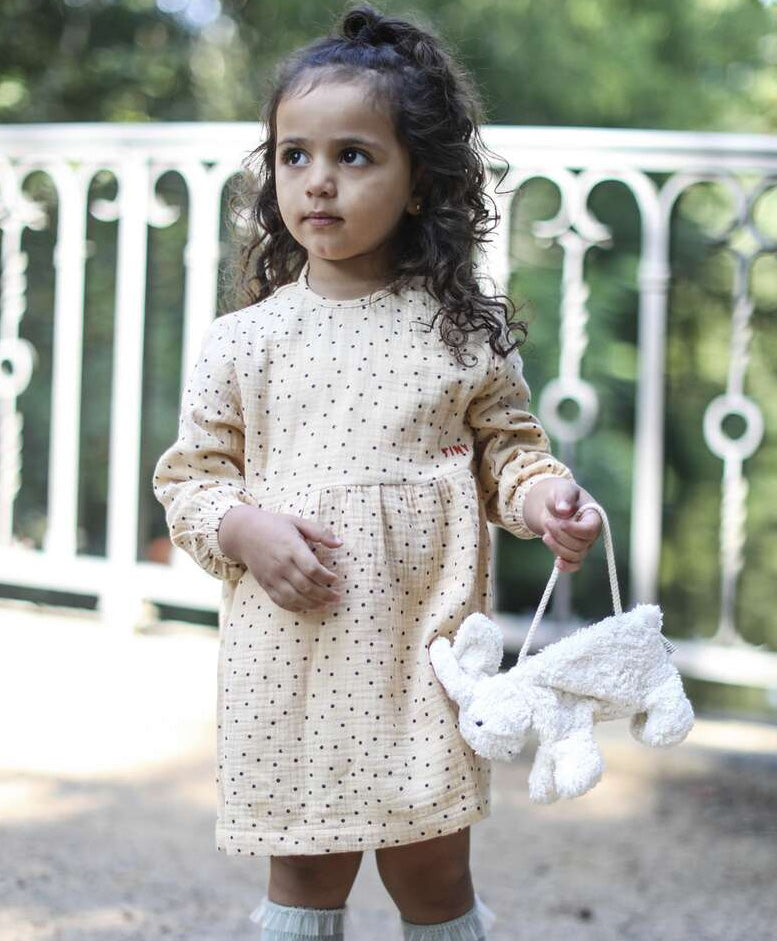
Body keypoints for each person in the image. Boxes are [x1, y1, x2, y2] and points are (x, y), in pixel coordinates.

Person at [152, 4, 602, 939]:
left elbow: (505, 451)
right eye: (294, 155)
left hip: (422, 653)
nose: (318, 181)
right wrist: (246, 527)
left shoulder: (461, 334)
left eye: (354, 155)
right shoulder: (245, 342)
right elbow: (191, 480)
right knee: (305, 870)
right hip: (295, 656)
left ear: (418, 180)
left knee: (432, 869)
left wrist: (545, 495)